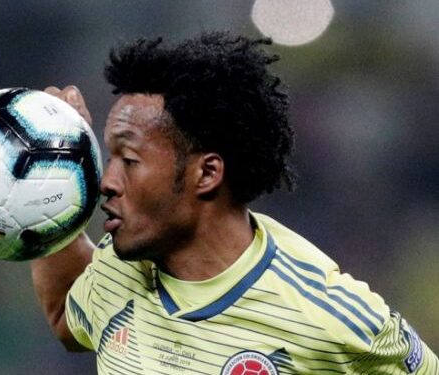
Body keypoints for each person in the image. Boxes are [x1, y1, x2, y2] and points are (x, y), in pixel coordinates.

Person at [32, 32, 438, 374]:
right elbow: (67, 315)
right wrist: (51, 174)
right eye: (111, 158)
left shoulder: (330, 317)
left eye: (130, 160)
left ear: (206, 174)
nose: (107, 181)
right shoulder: (117, 272)